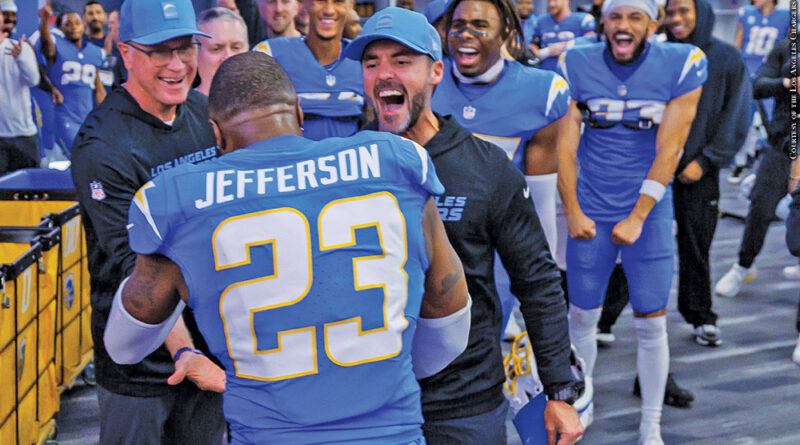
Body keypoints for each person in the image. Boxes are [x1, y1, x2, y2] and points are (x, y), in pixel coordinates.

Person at [104, 50, 471, 444]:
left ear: (216, 132)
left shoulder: (175, 199)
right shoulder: (397, 162)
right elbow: (449, 326)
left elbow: (124, 346)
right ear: (298, 112)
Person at [345, 8, 584, 445]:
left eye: (402, 61)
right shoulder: (341, 165)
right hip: (369, 402)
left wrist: (559, 391)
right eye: (371, 62)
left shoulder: (486, 166)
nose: (384, 74)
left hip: (464, 403)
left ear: (436, 72)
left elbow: (537, 279)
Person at [70, 0, 227, 443]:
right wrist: (186, 354)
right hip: (140, 370)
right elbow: (134, 271)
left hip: (211, 357)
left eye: (185, 48)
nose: (177, 65)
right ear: (126, 53)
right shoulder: (104, 146)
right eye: (160, 51)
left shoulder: (200, 113)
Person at [556, 0, 705, 442]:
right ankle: (581, 414)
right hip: (592, 208)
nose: (624, 25)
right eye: (616, 16)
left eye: (635, 16)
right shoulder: (576, 60)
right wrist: (573, 210)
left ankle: (651, 425)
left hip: (649, 210)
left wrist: (639, 215)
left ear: (652, 23)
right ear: (603, 21)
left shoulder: (681, 63)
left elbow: (671, 149)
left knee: (651, 321)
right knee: (581, 319)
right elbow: (564, 147)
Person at [663, 0, 750, 346]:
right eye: (671, 12)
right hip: (653, 170)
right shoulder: (658, 55)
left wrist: (708, 160)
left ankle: (700, 315)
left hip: (700, 173)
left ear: (702, 12)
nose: (677, 19)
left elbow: (737, 115)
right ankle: (604, 318)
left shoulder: (727, 58)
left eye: (685, 10)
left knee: (696, 246)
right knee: (631, 245)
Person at [716, 30, 799, 298]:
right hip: (781, 144)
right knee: (760, 206)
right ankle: (743, 266)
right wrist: (788, 83)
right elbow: (758, 85)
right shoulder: (786, 48)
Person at [253, 0, 364, 140]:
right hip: (291, 158)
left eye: (338, 1)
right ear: (305, 4)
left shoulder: (362, 57)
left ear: (350, 5)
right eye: (320, 1)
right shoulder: (270, 53)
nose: (329, 10)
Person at [727, 0, 790, 183]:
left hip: (770, 73)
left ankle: (761, 161)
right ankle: (739, 163)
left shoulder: (786, 15)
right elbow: (737, 44)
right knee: (742, 118)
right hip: (747, 72)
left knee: (769, 121)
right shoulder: (746, 13)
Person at [38, 6, 106, 156]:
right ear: (60, 28)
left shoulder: (95, 52)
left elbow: (98, 85)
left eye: (76, 22)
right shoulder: (57, 46)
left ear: (83, 24)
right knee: (80, 155)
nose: (73, 27)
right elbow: (46, 44)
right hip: (64, 116)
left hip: (87, 117)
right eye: (68, 24)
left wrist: (104, 110)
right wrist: (44, 21)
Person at [0, 10, 40, 176]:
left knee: (31, 194)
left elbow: (33, 80)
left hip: (24, 135)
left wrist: (22, 57)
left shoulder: (19, 48)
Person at [196, 7, 249, 96]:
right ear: (195, 55)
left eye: (235, 48)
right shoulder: (180, 108)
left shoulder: (266, 106)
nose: (228, 57)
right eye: (216, 49)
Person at [530, 0, 595, 71]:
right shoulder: (540, 21)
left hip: (573, 74)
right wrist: (546, 52)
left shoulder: (583, 20)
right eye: (549, 1)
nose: (551, 4)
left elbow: (591, 48)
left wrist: (569, 46)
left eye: (555, 1)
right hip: (547, 75)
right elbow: (531, 52)